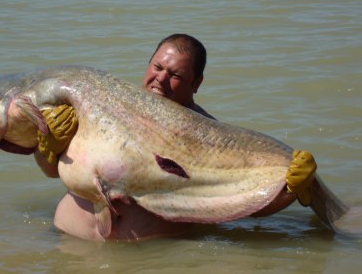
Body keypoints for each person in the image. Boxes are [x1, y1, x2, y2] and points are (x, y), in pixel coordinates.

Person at [34, 34, 313, 241]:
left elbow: (243, 205)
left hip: (149, 259)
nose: (160, 79)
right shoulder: (102, 107)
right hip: (68, 244)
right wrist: (48, 146)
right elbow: (50, 171)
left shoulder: (211, 138)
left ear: (196, 83)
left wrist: (289, 189)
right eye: (157, 67)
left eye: (175, 74)